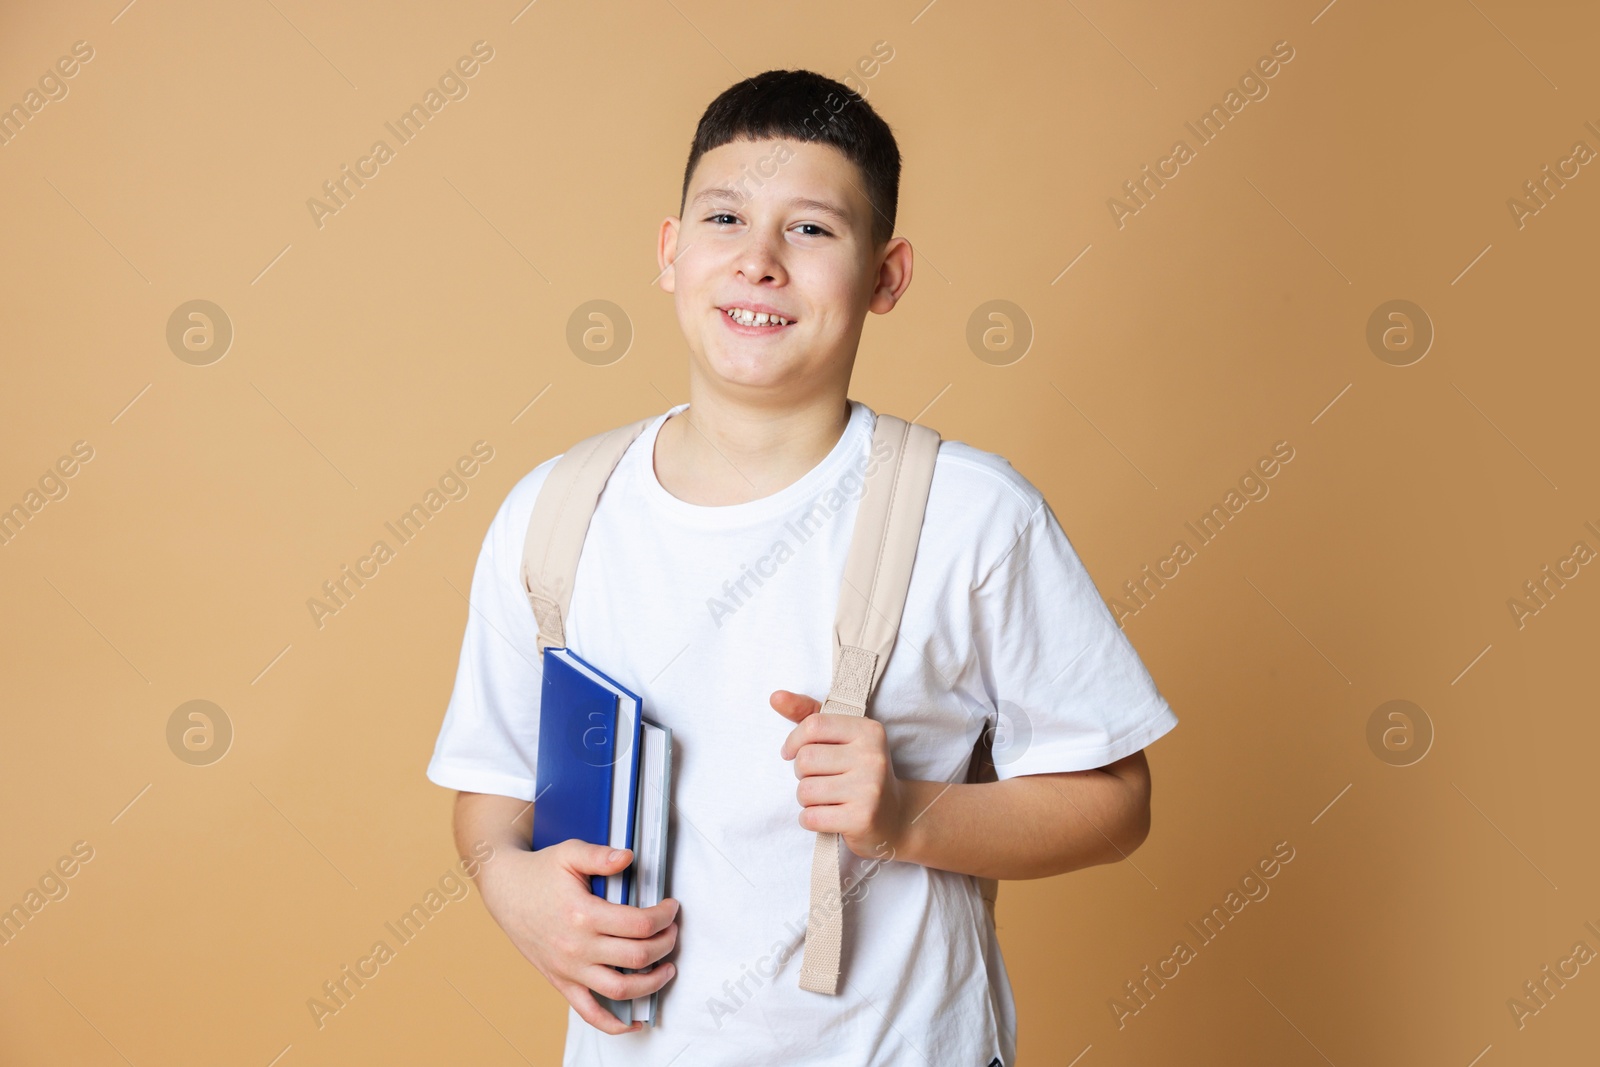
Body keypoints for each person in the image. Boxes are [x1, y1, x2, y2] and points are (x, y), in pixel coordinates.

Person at [426, 68, 1178, 1066]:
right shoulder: (554, 513)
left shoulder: (970, 515)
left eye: (812, 229)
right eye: (725, 217)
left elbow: (1117, 801)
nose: (759, 261)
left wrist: (910, 812)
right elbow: (487, 790)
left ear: (886, 276)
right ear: (669, 250)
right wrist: (508, 886)